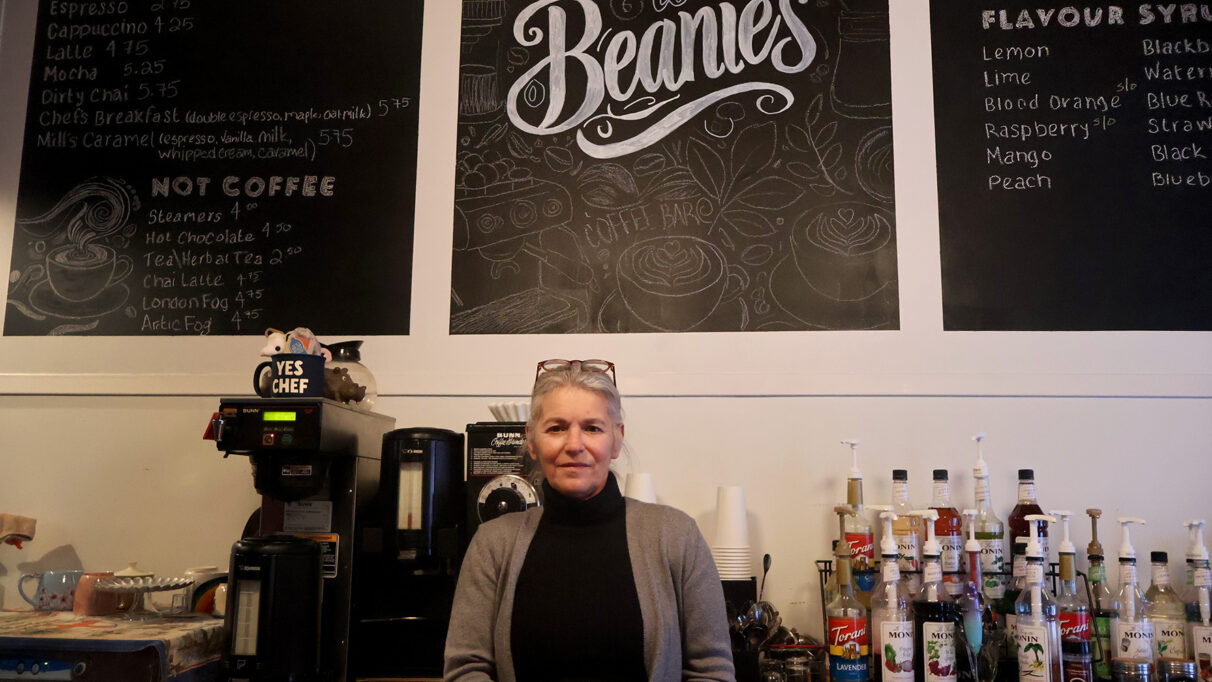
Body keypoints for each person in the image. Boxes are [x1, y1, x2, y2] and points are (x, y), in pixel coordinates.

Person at [444, 359, 736, 682]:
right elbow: (465, 669)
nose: (574, 445)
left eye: (592, 428)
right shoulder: (492, 544)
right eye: (556, 428)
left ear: (617, 439)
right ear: (531, 440)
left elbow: (712, 671)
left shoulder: (678, 536)